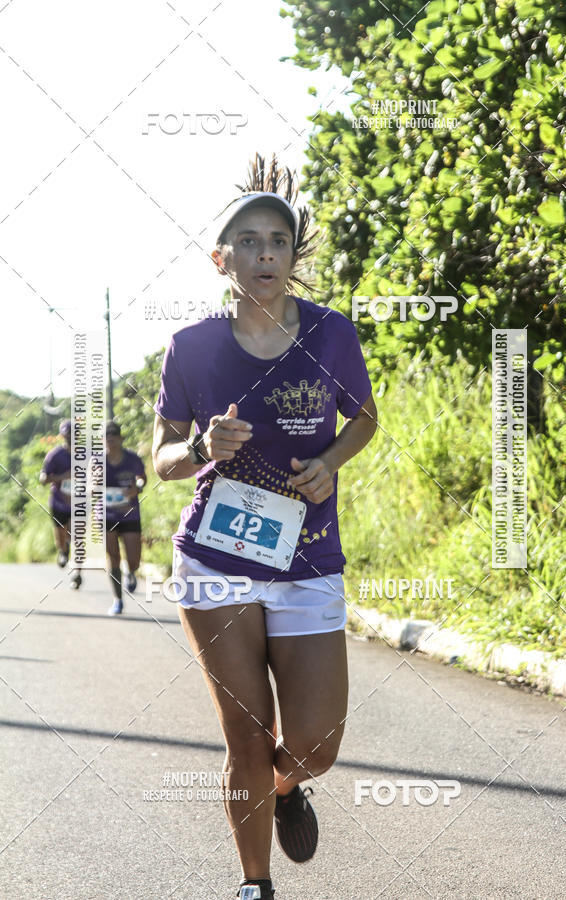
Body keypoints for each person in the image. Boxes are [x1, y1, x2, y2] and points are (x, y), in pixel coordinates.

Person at [152, 152, 377, 900]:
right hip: (215, 562)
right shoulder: (191, 346)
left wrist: (332, 461)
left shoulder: (332, 334)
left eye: (277, 241)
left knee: (314, 745)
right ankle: (255, 886)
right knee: (246, 737)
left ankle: (286, 787)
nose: (265, 254)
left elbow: (363, 417)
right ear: (221, 259)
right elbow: (162, 459)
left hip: (308, 560)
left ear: (291, 255)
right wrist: (198, 448)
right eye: (247, 242)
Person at [102, 420, 147, 616]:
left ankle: (131, 571)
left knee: (134, 559)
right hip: (106, 515)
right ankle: (118, 599)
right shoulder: (97, 461)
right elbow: (88, 484)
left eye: (114, 436)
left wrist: (137, 488)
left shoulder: (132, 459)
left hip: (129, 514)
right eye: (107, 436)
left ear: (121, 438)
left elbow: (142, 478)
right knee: (113, 557)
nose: (110, 439)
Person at [39, 419, 82, 590]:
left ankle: (77, 573)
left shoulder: (86, 454)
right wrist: (62, 477)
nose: (71, 437)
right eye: (68, 434)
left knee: (78, 536)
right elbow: (43, 478)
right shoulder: (55, 455)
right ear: (62, 435)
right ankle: (63, 551)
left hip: (80, 502)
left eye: (74, 433)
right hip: (59, 502)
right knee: (61, 535)